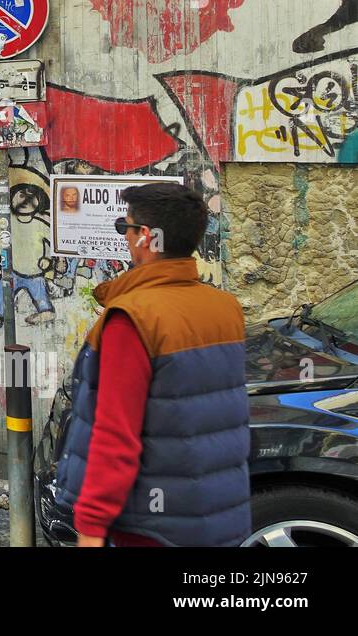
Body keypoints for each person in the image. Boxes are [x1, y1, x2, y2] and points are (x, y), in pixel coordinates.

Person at [55, 182, 250, 547]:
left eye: (124, 227)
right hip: (219, 518)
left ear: (145, 237)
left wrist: (91, 527)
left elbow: (115, 438)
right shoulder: (227, 309)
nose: (124, 237)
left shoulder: (133, 319)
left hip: (152, 529)